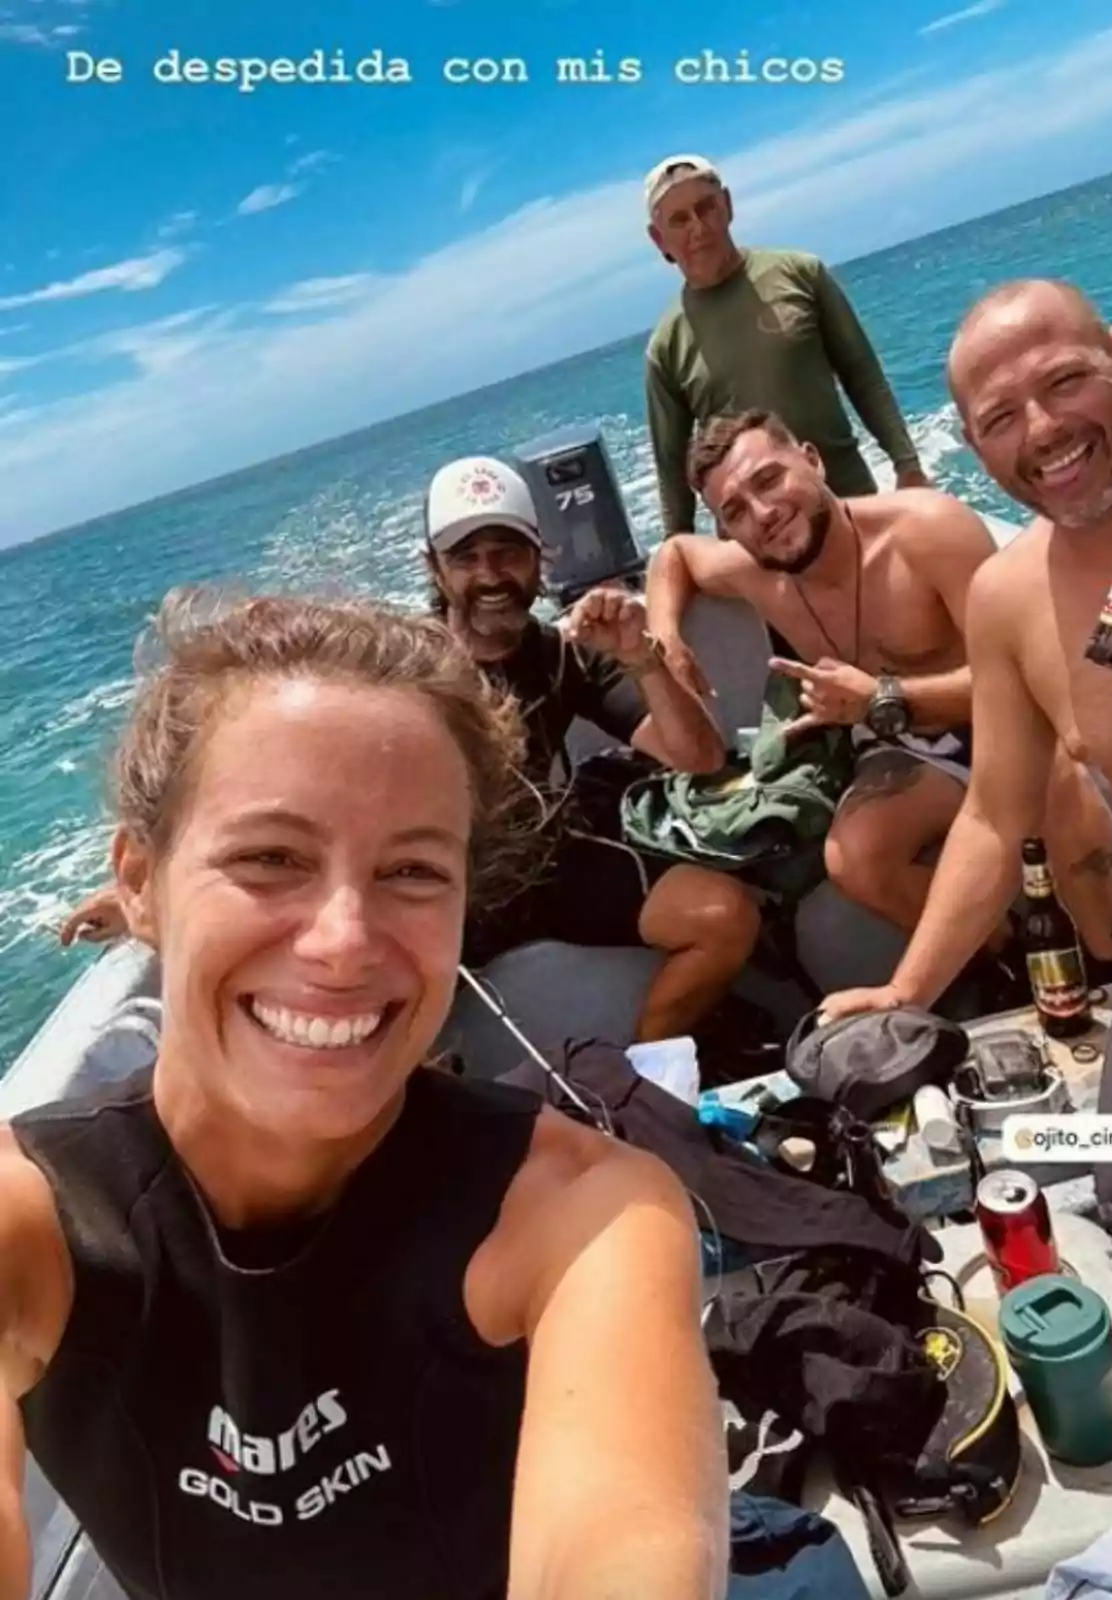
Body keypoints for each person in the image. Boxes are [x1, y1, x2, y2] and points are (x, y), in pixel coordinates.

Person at [3, 592, 730, 1600]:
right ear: (138, 882)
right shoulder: (32, 1223)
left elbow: (625, 1546)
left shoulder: (586, 1215)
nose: (344, 940)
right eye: (271, 859)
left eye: (412, 871)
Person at [63, 457, 762, 1045]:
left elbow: (698, 758)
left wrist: (643, 659)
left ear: (539, 558)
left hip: (546, 862)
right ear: (435, 567)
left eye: (508, 552)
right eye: (467, 557)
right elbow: (278, 778)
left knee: (724, 918)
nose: (490, 575)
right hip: (419, 884)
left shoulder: (569, 656)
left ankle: (639, 1081)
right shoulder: (399, 676)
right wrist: (150, 887)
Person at [819, 279, 1112, 1314]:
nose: (1045, 430)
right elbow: (993, 812)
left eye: (1066, 381)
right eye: (1000, 419)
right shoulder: (1008, 596)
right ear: (976, 450)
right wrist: (906, 991)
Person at [644, 408, 1112, 979]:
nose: (763, 513)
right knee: (853, 857)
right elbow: (674, 555)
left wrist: (881, 696)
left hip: (1002, 724)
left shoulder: (926, 533)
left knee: (1055, 785)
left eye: (769, 479)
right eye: (734, 511)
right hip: (910, 745)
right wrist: (667, 636)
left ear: (812, 458)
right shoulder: (756, 571)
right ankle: (1009, 963)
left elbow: (1029, 680)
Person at [643, 153, 927, 541]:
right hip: (759, 544)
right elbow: (672, 465)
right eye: (678, 219)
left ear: (726, 205)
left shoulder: (801, 273)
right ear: (659, 239)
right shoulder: (665, 346)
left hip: (849, 509)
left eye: (705, 207)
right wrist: (680, 548)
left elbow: (862, 373)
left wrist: (907, 464)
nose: (697, 226)